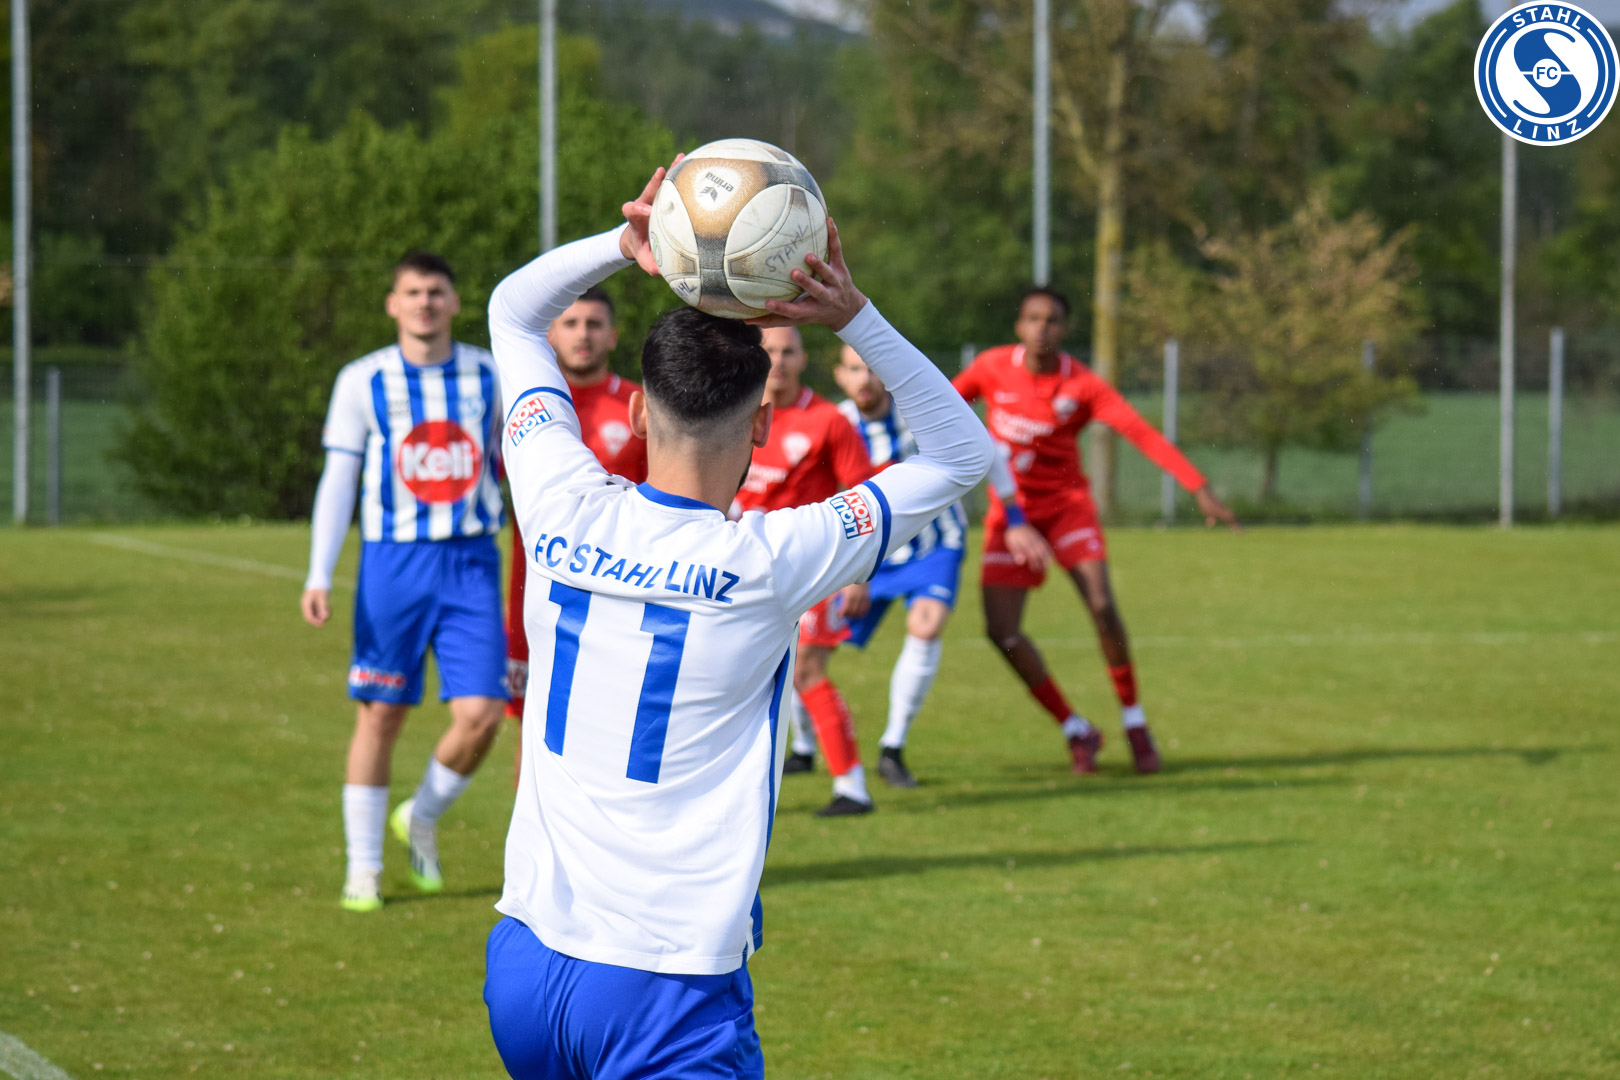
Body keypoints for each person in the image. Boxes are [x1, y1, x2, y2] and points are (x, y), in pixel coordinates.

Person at [482, 164, 991, 1079]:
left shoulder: (559, 502)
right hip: (663, 985)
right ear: (762, 424)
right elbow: (961, 453)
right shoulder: (772, 559)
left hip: (525, 958)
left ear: (634, 410)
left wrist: (625, 244)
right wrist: (852, 315)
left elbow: (515, 312)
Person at [954, 287, 1237, 774]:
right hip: (1012, 515)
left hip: (1067, 509)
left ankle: (1134, 720)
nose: (1042, 327)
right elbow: (941, 406)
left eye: (1052, 320)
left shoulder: (1082, 384)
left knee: (1102, 606)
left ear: (1065, 329)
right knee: (1002, 632)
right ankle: (1076, 729)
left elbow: (1139, 431)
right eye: (1033, 318)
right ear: (1019, 325)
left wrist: (1198, 485)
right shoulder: (991, 367)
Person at [301, 251, 509, 912]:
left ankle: (420, 815)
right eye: (413, 292)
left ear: (454, 302)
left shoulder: (491, 372)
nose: (425, 303)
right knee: (381, 712)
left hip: (472, 561)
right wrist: (319, 572)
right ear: (393, 304)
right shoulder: (363, 380)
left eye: (436, 292)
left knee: (482, 716)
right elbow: (339, 478)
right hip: (393, 564)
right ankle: (363, 867)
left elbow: (520, 458)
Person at [733, 326, 879, 816]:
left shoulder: (828, 421)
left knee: (808, 670)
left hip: (809, 568)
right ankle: (747, 785)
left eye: (788, 351)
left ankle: (853, 787)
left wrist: (860, 576)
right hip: (741, 565)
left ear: (803, 359)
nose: (778, 360)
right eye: (770, 350)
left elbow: (865, 498)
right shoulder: (735, 412)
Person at [505, 286, 648, 783]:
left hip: (619, 587)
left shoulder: (642, 406)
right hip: (532, 581)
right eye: (570, 323)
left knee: (610, 727)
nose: (582, 334)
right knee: (532, 725)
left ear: (613, 335)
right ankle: (532, 831)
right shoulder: (528, 406)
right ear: (550, 334)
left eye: (593, 324)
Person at [830, 344, 969, 788]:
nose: (865, 379)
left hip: (933, 544)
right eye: (855, 369)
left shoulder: (918, 413)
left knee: (926, 627)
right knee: (812, 649)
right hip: (864, 556)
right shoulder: (834, 423)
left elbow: (985, 451)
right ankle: (805, 747)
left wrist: (1014, 514)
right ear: (840, 376)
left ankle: (893, 747)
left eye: (872, 368)